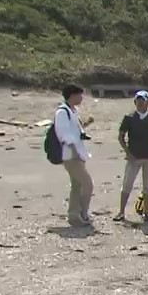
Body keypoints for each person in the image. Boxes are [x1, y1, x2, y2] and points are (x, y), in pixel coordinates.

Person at [114, 90, 148, 222]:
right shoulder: (129, 118)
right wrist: (128, 153)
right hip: (134, 157)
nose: (140, 104)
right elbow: (120, 136)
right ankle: (121, 211)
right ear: (135, 102)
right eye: (138, 102)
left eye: (143, 102)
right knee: (127, 184)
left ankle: (146, 212)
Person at [53, 84, 95, 226]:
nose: (81, 98)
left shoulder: (71, 111)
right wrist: (75, 151)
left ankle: (74, 215)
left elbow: (74, 132)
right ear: (72, 95)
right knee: (87, 184)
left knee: (77, 185)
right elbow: (63, 134)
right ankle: (82, 212)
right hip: (71, 154)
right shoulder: (62, 112)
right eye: (79, 95)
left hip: (76, 153)